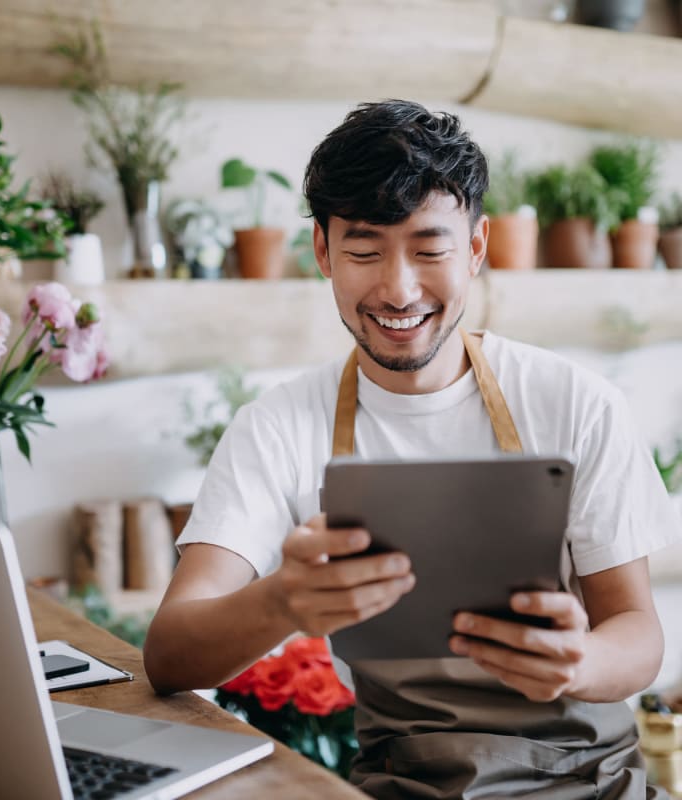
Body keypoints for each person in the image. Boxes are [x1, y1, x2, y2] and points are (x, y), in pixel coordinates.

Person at [144, 100, 680, 798]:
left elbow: (637, 632)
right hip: (404, 785)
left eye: (430, 250)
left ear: (478, 248)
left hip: (588, 783)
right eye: (365, 251)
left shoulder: (574, 402)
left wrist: (578, 661)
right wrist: (282, 601)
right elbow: (168, 652)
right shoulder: (276, 427)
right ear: (323, 251)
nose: (398, 288)